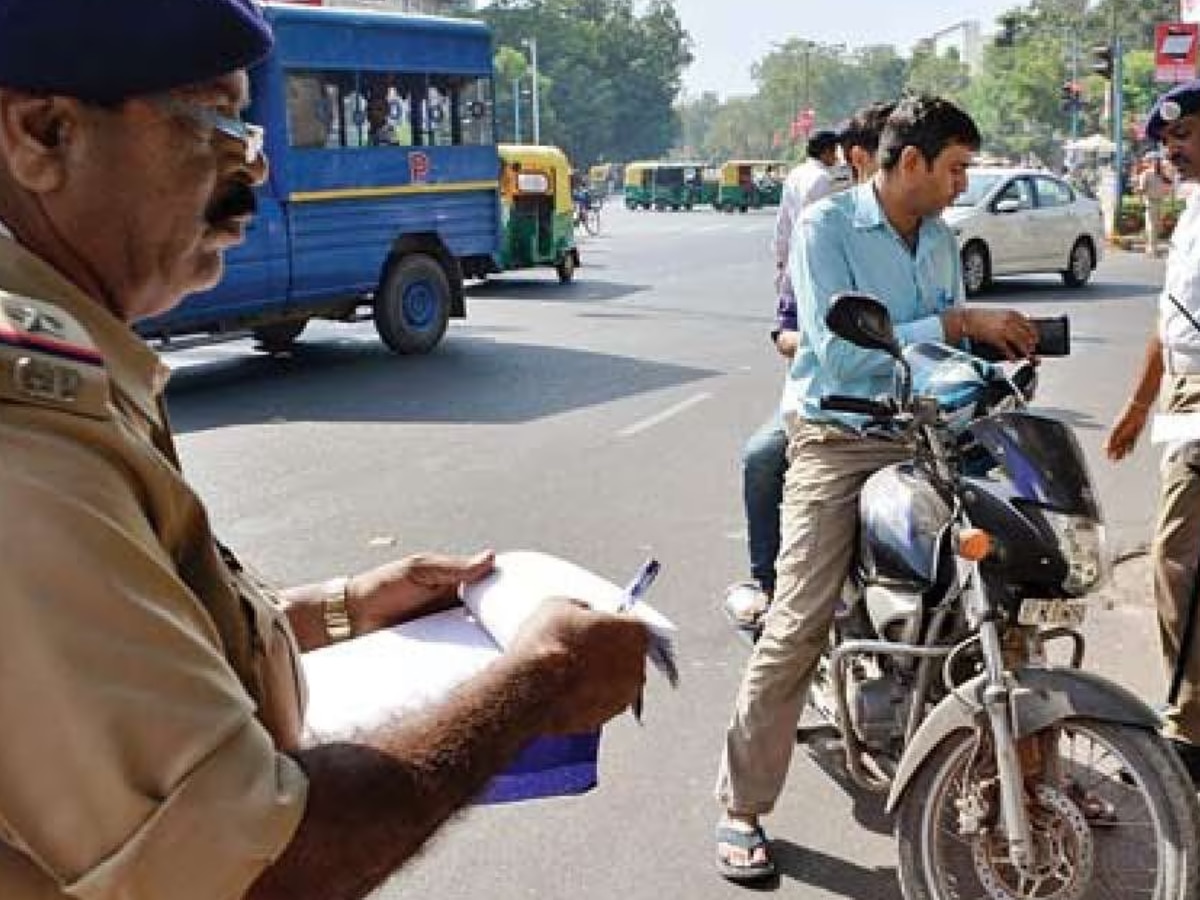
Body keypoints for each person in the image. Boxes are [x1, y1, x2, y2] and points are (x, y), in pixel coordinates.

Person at [0, 3, 649, 899]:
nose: (252, 165)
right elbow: (253, 870)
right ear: (44, 133)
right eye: (215, 120)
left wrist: (348, 607)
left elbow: (163, 638)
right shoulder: (24, 439)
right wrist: (540, 683)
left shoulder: (80, 361)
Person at [713, 95, 1038, 882]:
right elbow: (841, 353)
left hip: (926, 435)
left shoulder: (940, 237)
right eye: (957, 168)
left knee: (1006, 588)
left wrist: (1000, 369)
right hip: (837, 437)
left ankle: (1030, 775)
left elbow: (937, 353)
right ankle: (741, 806)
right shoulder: (828, 228)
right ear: (912, 161)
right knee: (796, 622)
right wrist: (960, 327)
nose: (963, 184)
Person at [723, 104, 895, 639]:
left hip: (917, 407)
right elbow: (786, 331)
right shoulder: (823, 230)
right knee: (761, 458)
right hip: (833, 403)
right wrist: (825, 344)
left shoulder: (934, 236)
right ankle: (767, 584)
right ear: (864, 160)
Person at [1105, 79, 1200, 786]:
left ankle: (1191, 724)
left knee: (1175, 555)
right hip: (1184, 391)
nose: (1177, 153)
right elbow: (1170, 325)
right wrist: (1139, 408)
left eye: (1187, 138)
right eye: (1170, 144)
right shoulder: (1193, 209)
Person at [1137, 151, 1173, 257]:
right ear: (1151, 162)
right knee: (1152, 226)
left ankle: (1153, 247)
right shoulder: (1146, 174)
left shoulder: (1161, 174)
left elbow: (1169, 183)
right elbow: (1142, 189)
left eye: (1159, 161)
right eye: (1156, 161)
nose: (1158, 163)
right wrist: (1140, 199)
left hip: (1159, 201)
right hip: (1151, 201)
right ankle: (1152, 249)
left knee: (1157, 226)